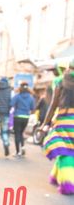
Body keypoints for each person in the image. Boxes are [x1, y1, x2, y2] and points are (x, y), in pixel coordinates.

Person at [42, 61, 74, 195]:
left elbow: (53, 104)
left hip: (63, 121)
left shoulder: (60, 81)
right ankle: (55, 176)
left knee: (65, 151)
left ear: (68, 68)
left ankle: (68, 183)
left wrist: (45, 123)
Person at [11, 82, 35, 157]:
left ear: (20, 88)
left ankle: (18, 152)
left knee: (17, 133)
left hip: (17, 116)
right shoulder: (31, 97)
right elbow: (32, 108)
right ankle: (23, 147)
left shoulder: (17, 96)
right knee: (21, 133)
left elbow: (11, 104)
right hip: (26, 118)